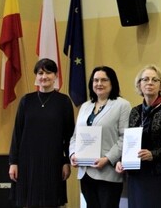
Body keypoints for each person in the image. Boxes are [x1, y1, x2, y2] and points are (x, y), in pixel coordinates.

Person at [8, 58, 75, 208]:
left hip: (53, 161)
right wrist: (13, 162)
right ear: (36, 77)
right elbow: (17, 133)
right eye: (40, 73)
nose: (44, 76)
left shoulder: (64, 102)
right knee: (28, 201)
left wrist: (66, 162)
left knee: (50, 202)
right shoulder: (26, 101)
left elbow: (69, 135)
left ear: (56, 76)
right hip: (27, 162)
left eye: (48, 72)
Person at [69, 66, 131, 208]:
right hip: (85, 172)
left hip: (108, 172)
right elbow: (75, 136)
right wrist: (73, 154)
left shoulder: (122, 105)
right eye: (95, 80)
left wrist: (107, 159)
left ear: (112, 82)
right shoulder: (85, 106)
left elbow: (125, 137)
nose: (99, 84)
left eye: (104, 80)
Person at [115, 65, 161, 208]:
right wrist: (121, 160)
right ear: (139, 85)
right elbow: (128, 141)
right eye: (145, 79)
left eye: (155, 80)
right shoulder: (135, 111)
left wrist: (153, 154)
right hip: (136, 175)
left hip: (159, 174)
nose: (150, 83)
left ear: (160, 86)